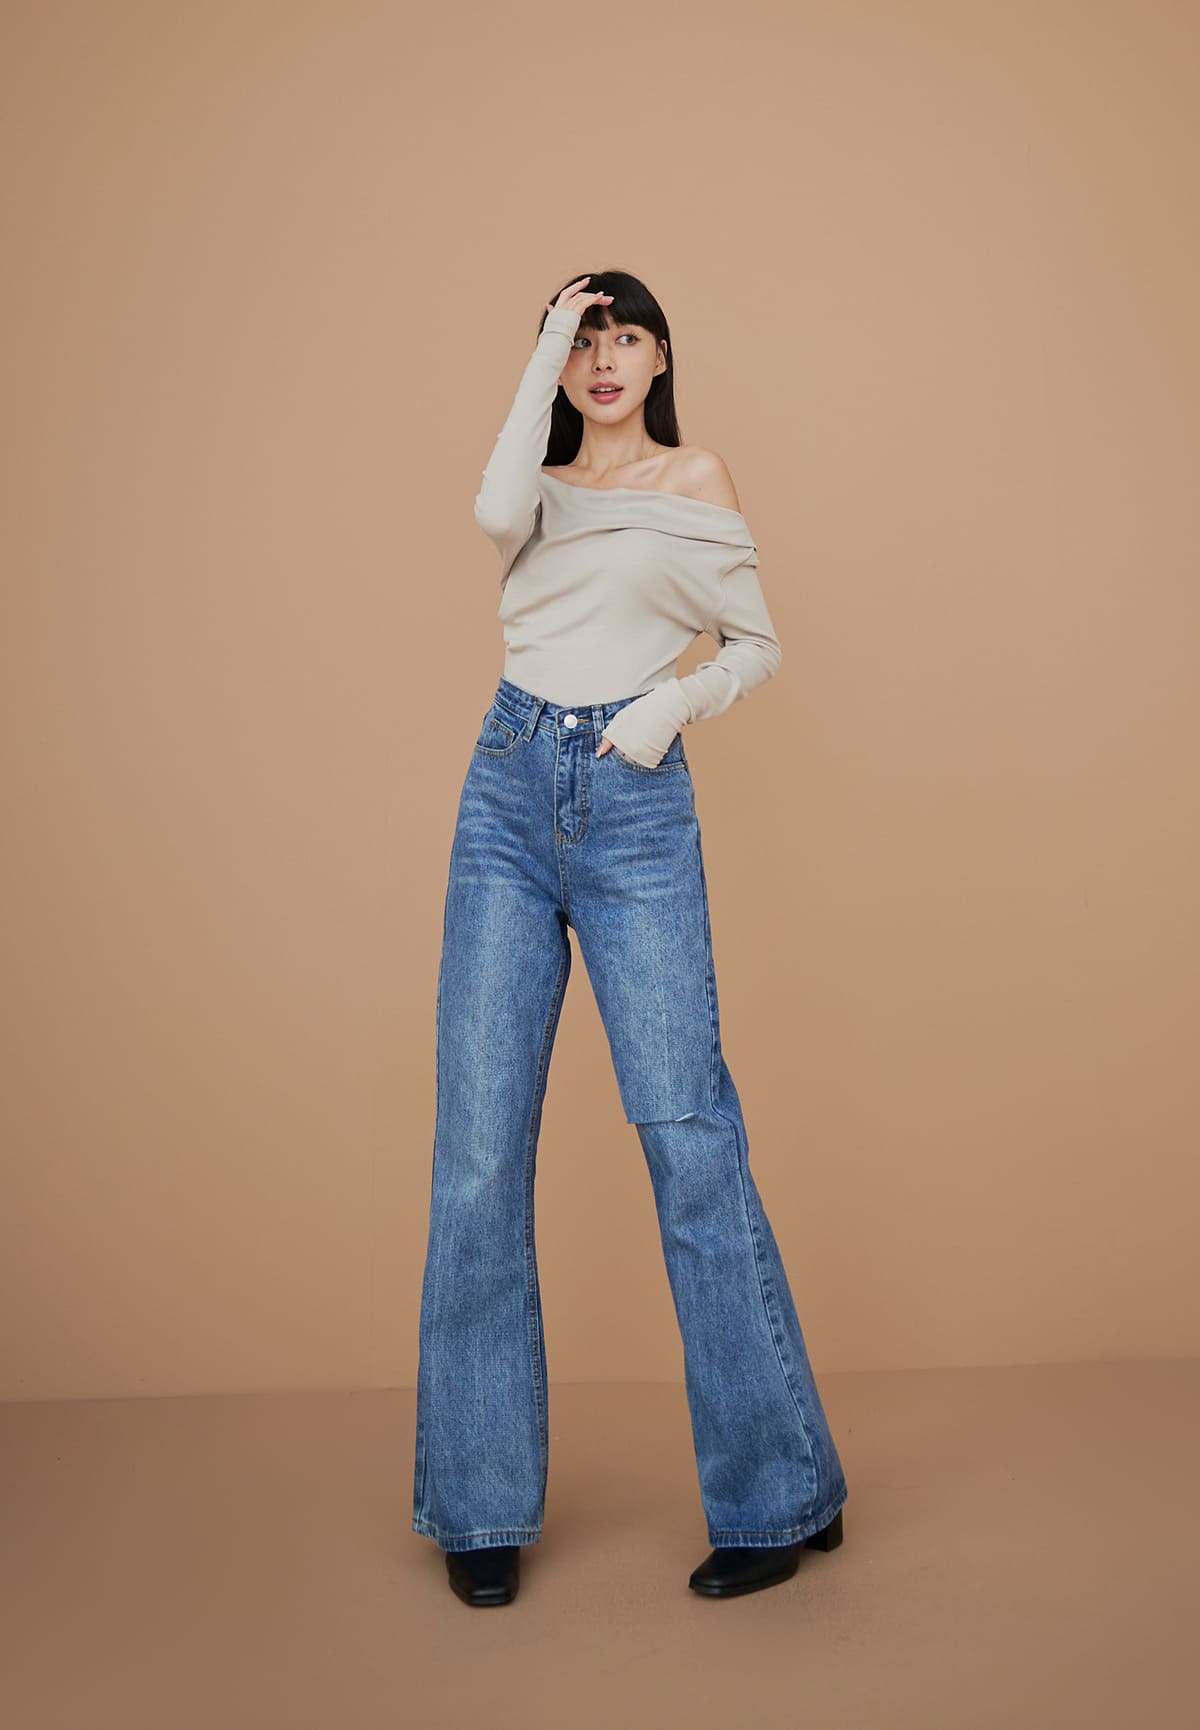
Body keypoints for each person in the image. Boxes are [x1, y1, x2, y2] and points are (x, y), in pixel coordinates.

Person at [412, 272, 848, 1607]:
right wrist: (541, 336)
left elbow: (757, 644)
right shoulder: (536, 489)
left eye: (627, 336)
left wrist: (667, 711)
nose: (605, 358)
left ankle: (778, 1492)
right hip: (505, 790)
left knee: (687, 1133)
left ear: (662, 358)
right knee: (478, 1149)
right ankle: (479, 1502)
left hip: (632, 798)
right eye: (584, 339)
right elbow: (488, 511)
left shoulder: (693, 476)